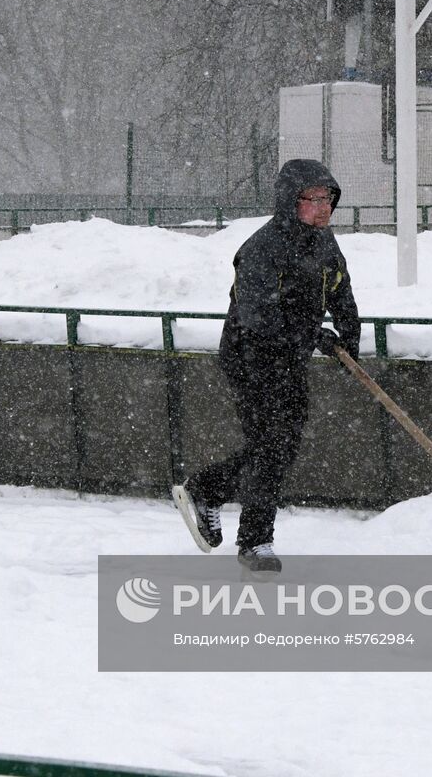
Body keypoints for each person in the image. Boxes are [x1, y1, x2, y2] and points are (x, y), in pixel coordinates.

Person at [172, 158, 360, 576]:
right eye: (312, 199)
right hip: (251, 357)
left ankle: (208, 491)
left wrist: (349, 337)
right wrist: (311, 337)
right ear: (289, 202)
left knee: (278, 446)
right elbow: (259, 316)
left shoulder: (324, 243)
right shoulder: (262, 248)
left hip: (288, 359)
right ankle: (254, 540)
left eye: (327, 198)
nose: (323, 207)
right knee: (273, 446)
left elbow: (340, 291)